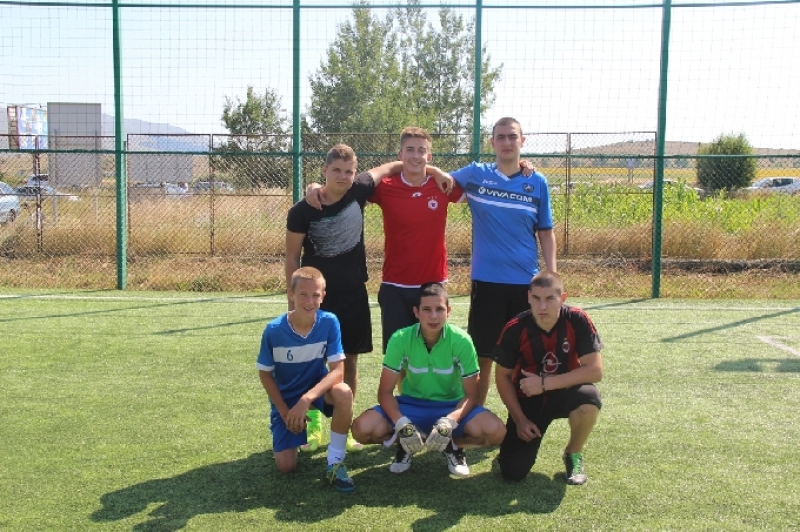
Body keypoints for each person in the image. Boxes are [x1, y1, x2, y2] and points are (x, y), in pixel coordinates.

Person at [286, 143, 452, 453]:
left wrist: (436, 170)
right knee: (313, 361)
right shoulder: (303, 210)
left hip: (354, 294)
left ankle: (343, 425)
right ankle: (313, 425)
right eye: (336, 170)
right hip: (315, 299)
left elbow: (396, 166)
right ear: (324, 170)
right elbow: (292, 256)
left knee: (349, 361)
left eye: (349, 171)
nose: (343, 176)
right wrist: (292, 299)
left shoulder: (359, 189)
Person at [450, 117, 558, 406]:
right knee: (481, 359)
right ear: (492, 142)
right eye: (501, 137)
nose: (507, 142)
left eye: (512, 136)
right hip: (486, 284)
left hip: (525, 285)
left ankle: (521, 422)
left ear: (522, 141)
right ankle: (474, 417)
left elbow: (545, 232)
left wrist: (552, 274)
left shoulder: (537, 182)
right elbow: (434, 180)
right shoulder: (476, 175)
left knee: (524, 359)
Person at [351, 282, 506, 477]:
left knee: (496, 432)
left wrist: (450, 421)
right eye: (426, 309)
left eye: (439, 309)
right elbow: (384, 392)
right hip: (410, 406)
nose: (433, 316)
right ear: (416, 312)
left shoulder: (462, 341)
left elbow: (472, 395)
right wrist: (401, 423)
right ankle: (406, 443)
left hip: (451, 406)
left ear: (448, 311)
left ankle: (452, 446)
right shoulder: (400, 339)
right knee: (362, 429)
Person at [493, 271, 603, 485]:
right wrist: (520, 420)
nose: (542, 306)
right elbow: (502, 376)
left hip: (565, 392)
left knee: (589, 399)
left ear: (562, 298)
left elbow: (595, 371)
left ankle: (573, 453)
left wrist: (544, 384)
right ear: (528, 297)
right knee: (512, 472)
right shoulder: (515, 328)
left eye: (550, 298)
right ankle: (510, 447)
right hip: (529, 398)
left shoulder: (577, 319)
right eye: (536, 298)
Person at [255, 267, 356, 492]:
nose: (309, 301)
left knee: (343, 392)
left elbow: (338, 371)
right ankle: (291, 431)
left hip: (314, 390)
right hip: (286, 398)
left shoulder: (329, 322)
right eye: (303, 294)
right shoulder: (273, 330)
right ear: (291, 294)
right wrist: (285, 412)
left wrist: (306, 400)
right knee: (286, 467)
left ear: (323, 296)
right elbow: (265, 374)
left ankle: (335, 461)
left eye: (315, 295)